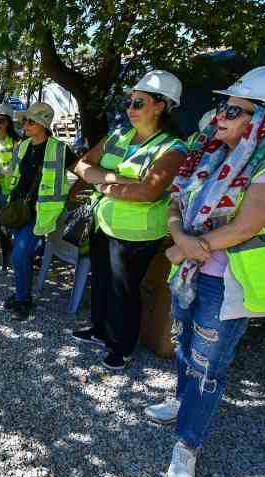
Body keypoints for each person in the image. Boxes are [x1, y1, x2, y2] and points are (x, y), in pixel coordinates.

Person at [146, 67, 265, 477]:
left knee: (209, 364)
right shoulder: (207, 156)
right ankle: (182, 400)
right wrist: (178, 239)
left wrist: (188, 247)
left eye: (235, 109)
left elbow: (246, 226)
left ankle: (187, 444)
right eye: (223, 106)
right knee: (185, 341)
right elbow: (177, 201)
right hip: (189, 269)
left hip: (228, 283)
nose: (221, 114)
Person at [71, 70, 189, 370]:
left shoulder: (172, 148)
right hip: (102, 222)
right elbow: (81, 165)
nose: (129, 108)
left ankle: (121, 346)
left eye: (138, 103)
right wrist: (116, 181)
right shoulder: (119, 136)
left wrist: (100, 181)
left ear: (160, 105)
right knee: (101, 280)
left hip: (136, 234)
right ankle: (99, 329)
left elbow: (147, 193)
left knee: (124, 290)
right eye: (129, 102)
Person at [3, 103, 79, 320]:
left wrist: (72, 193)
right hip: (19, 209)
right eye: (25, 120)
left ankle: (23, 300)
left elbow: (82, 170)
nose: (25, 124)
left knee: (19, 255)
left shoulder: (60, 148)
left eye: (31, 121)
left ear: (44, 125)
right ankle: (21, 293)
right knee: (20, 255)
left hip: (39, 211)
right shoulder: (22, 146)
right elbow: (15, 175)